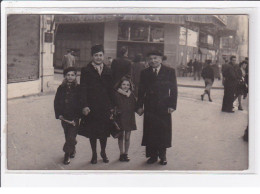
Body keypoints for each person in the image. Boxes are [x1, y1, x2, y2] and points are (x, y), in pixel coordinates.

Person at [136, 50, 178, 165]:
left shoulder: (169, 71)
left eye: (155, 58)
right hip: (149, 106)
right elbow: (141, 90)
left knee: (163, 131)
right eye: (150, 58)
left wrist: (172, 105)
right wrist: (139, 106)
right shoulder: (145, 72)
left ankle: (162, 156)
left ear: (161, 59)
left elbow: (173, 90)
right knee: (150, 131)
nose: (153, 61)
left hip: (164, 106)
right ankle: (152, 155)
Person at [78, 45, 114, 164]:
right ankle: (94, 154)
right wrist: (84, 105)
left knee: (104, 132)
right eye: (96, 55)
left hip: (104, 106)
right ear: (92, 56)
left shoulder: (108, 70)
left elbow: (111, 90)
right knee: (92, 132)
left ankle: (103, 152)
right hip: (91, 107)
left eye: (100, 55)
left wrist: (112, 106)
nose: (98, 58)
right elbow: (83, 89)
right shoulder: (86, 70)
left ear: (103, 56)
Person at [54, 67, 81, 165]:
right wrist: (59, 114)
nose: (70, 77)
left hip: (75, 117)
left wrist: (79, 114)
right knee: (68, 135)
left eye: (72, 75)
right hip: (64, 117)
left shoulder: (78, 88)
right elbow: (56, 102)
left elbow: (81, 102)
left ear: (75, 76)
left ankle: (67, 155)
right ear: (65, 76)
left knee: (71, 136)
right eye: (68, 75)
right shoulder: (61, 88)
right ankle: (72, 148)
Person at [114, 77, 137, 162]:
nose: (125, 86)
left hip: (129, 117)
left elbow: (135, 105)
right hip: (120, 118)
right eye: (123, 84)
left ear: (130, 86)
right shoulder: (116, 94)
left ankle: (126, 154)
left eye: (128, 85)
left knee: (127, 137)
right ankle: (121, 153)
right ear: (120, 85)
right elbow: (114, 105)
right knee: (121, 136)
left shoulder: (131, 95)